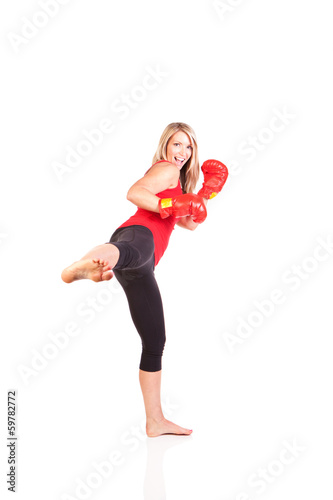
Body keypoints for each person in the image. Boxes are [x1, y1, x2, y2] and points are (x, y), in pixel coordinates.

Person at [61, 122, 228, 437]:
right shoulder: (166, 171)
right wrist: (170, 203)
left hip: (144, 260)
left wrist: (208, 191)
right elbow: (135, 192)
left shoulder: (179, 186)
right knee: (126, 250)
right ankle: (87, 264)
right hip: (139, 234)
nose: (183, 152)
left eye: (189, 146)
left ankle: (155, 421)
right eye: (177, 144)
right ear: (166, 146)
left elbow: (189, 223)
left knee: (155, 341)